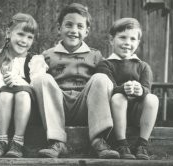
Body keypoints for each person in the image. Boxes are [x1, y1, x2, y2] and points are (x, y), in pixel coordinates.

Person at [31, 3, 119, 159]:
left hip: (85, 106)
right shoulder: (48, 55)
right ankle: (57, 141)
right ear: (59, 28)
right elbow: (36, 84)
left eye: (80, 26)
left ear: (86, 31)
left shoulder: (95, 55)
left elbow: (107, 84)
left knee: (101, 78)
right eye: (69, 25)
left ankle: (99, 140)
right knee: (41, 78)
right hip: (57, 106)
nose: (74, 30)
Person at [0, 13, 48, 158]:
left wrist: (19, 81)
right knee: (6, 92)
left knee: (23, 93)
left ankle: (18, 142)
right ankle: (1, 140)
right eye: (20, 34)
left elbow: (37, 88)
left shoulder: (35, 61)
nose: (24, 40)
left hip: (29, 111)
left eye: (29, 37)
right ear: (8, 33)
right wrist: (8, 81)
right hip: (3, 110)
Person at [96, 18, 159, 160]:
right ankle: (121, 143)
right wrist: (123, 89)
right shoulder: (105, 65)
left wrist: (141, 90)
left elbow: (147, 89)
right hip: (114, 113)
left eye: (132, 39)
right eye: (122, 37)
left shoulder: (143, 66)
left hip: (137, 114)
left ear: (138, 42)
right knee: (118, 97)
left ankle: (142, 144)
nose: (127, 43)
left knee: (153, 98)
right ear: (111, 40)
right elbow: (107, 91)